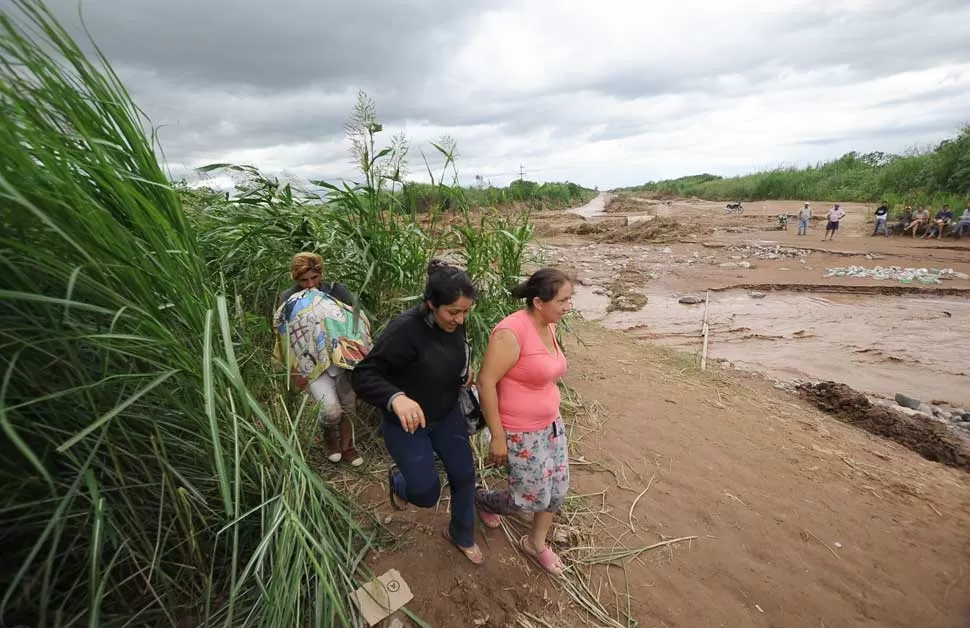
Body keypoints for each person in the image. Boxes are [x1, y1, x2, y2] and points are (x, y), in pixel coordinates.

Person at [351, 260, 483, 564]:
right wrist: (395, 397)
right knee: (426, 494)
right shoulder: (404, 330)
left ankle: (461, 534)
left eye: (466, 311)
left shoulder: (454, 323)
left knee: (464, 476)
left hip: (447, 415)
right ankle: (400, 480)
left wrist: (464, 368)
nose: (461, 320)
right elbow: (363, 375)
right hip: (407, 425)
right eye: (453, 312)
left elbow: (454, 348)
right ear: (430, 305)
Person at [475, 268, 574, 576]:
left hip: (552, 425)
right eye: (563, 300)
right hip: (521, 431)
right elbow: (486, 382)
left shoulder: (550, 323)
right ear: (538, 302)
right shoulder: (511, 332)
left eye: (570, 299)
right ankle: (484, 500)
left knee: (557, 489)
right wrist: (498, 436)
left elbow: (543, 374)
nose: (568, 306)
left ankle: (536, 542)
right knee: (529, 497)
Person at [274, 252, 368, 466]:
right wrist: (294, 368)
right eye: (304, 280)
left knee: (349, 404)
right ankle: (329, 437)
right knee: (330, 410)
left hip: (341, 360)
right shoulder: (289, 299)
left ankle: (348, 447)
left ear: (321, 274)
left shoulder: (336, 291)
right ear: (295, 278)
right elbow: (284, 334)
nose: (310, 285)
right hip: (313, 364)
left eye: (314, 278)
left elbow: (356, 319)